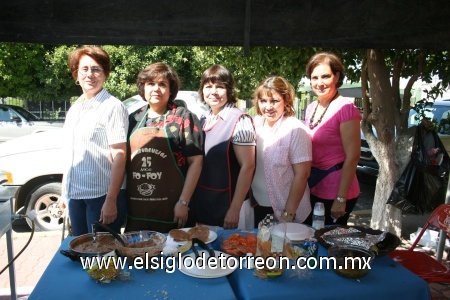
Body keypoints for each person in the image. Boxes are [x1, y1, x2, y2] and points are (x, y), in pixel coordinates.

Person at [125, 62, 203, 233]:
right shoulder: (132, 119)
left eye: (162, 84)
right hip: (137, 213)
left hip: (173, 211)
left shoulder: (184, 118)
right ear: (143, 88)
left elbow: (196, 162)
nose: (156, 89)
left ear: (170, 90)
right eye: (151, 83)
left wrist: (184, 202)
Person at [60, 46, 129, 236]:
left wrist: (111, 200)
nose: (90, 74)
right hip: (76, 196)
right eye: (84, 69)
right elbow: (71, 154)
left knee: (102, 259)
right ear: (76, 73)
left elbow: (120, 156)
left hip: (100, 198)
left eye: (96, 69)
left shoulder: (112, 107)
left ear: (105, 74)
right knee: (82, 253)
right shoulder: (75, 108)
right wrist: (64, 192)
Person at [193, 64, 256, 230]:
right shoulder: (204, 118)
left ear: (229, 90)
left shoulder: (239, 120)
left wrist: (234, 210)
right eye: (208, 86)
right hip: (206, 203)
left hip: (230, 206)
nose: (213, 92)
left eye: (220, 87)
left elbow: (248, 166)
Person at [303, 51, 361, 226]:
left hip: (336, 189)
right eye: (314, 78)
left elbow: (353, 156)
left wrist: (341, 198)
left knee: (327, 242)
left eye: (325, 76)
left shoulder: (346, 108)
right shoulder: (311, 107)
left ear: (336, 76)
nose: (319, 83)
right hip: (314, 185)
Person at [251, 76, 312, 226]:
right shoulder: (254, 124)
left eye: (274, 101)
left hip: (285, 211)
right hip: (256, 205)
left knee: (285, 249)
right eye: (263, 101)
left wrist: (289, 213)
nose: (268, 106)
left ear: (286, 101)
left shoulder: (295, 129)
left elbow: (302, 174)